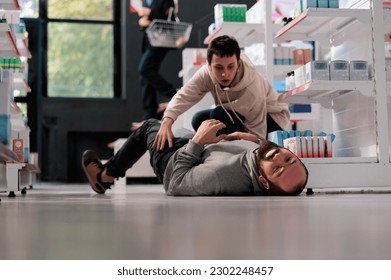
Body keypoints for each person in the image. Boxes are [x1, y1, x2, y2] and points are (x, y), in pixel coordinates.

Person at [82, 119, 308, 196]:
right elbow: (268, 157)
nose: (279, 157)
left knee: (149, 126)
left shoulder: (220, 176)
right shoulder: (260, 161)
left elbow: (175, 184)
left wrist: (198, 142)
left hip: (171, 161)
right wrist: (251, 140)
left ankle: (105, 176)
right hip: (196, 150)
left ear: (263, 182)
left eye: (278, 170)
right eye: (289, 159)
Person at [154, 35, 290, 151]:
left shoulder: (252, 88)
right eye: (218, 68)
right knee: (199, 119)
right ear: (209, 64)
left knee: (218, 115)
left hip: (272, 120)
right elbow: (184, 95)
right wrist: (166, 122)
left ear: (238, 63)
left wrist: (248, 144)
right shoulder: (206, 73)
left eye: (231, 67)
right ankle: (225, 147)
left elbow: (257, 133)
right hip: (240, 115)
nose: (225, 74)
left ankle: (228, 153)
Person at [137, 0, 178, 120]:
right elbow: (146, 22)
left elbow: (170, 20)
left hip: (161, 41)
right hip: (149, 42)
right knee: (145, 77)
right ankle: (149, 114)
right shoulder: (146, 1)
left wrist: (150, 12)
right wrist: (142, 23)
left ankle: (172, 94)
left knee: (145, 69)